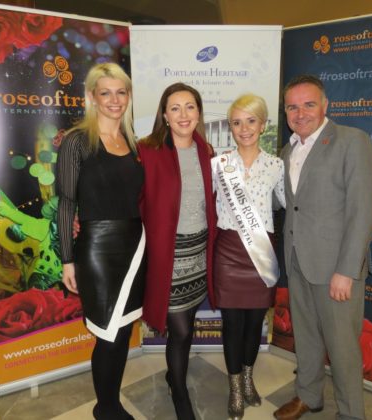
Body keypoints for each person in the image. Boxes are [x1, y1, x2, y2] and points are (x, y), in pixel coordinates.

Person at [273, 75, 372, 420]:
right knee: (306, 337)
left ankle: (351, 414)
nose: (300, 112)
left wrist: (346, 271)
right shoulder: (288, 150)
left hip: (336, 268)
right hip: (298, 260)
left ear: (325, 105)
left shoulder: (351, 141)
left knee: (343, 347)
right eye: (292, 106)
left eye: (308, 104)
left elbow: (362, 211)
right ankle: (308, 396)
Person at [56, 62, 146, 420]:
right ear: (92, 97)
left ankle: (111, 402)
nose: (114, 100)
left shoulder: (133, 141)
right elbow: (66, 203)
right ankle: (105, 408)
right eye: (105, 92)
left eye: (121, 92)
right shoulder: (77, 141)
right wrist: (67, 259)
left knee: (123, 331)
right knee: (108, 334)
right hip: (97, 249)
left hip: (137, 246)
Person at [138, 82, 217, 420]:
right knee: (180, 329)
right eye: (175, 108)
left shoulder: (207, 151)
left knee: (189, 320)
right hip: (165, 255)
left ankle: (175, 374)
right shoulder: (147, 151)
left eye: (190, 107)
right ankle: (179, 390)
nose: (183, 114)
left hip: (198, 252)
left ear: (199, 112)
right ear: (165, 115)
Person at [211, 94, 285, 419]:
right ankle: (235, 388)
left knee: (255, 323)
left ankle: (250, 379)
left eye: (251, 121)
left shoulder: (276, 165)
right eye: (237, 122)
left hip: (261, 252)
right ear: (231, 127)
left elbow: (283, 204)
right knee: (232, 323)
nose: (244, 129)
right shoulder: (220, 164)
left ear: (263, 124)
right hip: (228, 252)